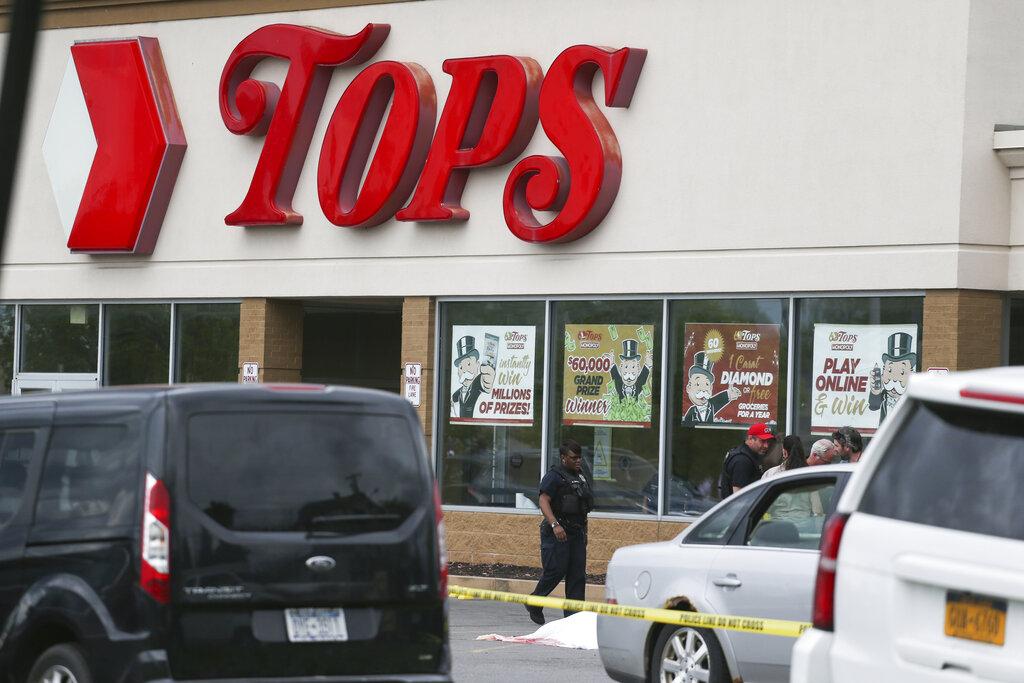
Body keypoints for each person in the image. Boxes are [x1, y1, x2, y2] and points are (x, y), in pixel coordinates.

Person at [527, 439, 594, 625]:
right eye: (574, 458)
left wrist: (585, 532)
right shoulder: (554, 476)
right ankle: (534, 602)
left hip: (576, 533)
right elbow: (543, 501)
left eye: (580, 457)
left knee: (577, 576)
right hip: (557, 532)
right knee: (555, 571)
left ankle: (574, 619)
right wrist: (555, 525)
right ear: (564, 458)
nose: (578, 461)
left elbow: (582, 508)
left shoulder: (580, 476)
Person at [718, 423, 775, 498]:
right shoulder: (742, 460)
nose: (766, 446)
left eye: (768, 441)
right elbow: (738, 496)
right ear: (750, 438)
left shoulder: (749, 454)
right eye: (763, 441)